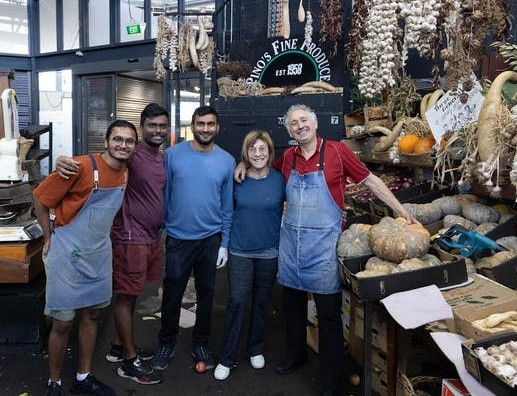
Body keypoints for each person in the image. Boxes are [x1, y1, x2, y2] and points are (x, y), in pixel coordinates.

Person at [235, 104, 418, 396]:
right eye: (293, 123)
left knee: (329, 316)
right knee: (292, 307)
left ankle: (330, 379)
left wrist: (401, 211)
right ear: (289, 130)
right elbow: (262, 167)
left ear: (315, 123)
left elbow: (370, 180)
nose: (299, 126)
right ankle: (297, 355)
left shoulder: (336, 152)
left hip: (322, 247)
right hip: (291, 245)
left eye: (303, 120)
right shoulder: (287, 158)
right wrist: (243, 164)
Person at [55, 103, 169, 385]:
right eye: (151, 125)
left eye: (162, 126)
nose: (157, 130)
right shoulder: (132, 153)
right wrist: (63, 162)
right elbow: (103, 160)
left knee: (134, 295)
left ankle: (119, 347)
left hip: (151, 237)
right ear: (142, 127)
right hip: (130, 237)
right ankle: (129, 360)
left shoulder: (159, 156)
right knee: (126, 297)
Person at [34, 120, 138, 396]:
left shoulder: (125, 173)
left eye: (129, 141)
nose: (123, 145)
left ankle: (83, 377)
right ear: (106, 141)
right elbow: (40, 200)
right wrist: (48, 237)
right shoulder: (78, 167)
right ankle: (54, 382)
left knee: (92, 315)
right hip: (67, 253)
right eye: (118, 139)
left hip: (99, 253)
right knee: (63, 322)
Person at [152, 106, 235, 372]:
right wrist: (161, 227)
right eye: (201, 124)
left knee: (207, 295)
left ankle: (200, 343)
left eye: (211, 124)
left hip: (210, 240)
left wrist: (225, 242)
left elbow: (227, 206)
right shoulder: (172, 155)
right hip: (178, 238)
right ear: (193, 125)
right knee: (172, 294)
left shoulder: (226, 160)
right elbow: (164, 194)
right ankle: (166, 343)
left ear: (217, 127)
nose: (206, 129)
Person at [213, 131, 286, 381]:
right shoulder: (237, 179)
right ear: (245, 153)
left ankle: (255, 348)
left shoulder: (279, 179)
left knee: (262, 302)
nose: (257, 154)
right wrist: (224, 244)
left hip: (269, 251)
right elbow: (226, 212)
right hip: (240, 250)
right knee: (236, 301)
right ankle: (227, 357)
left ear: (269, 152)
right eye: (252, 150)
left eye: (262, 149)